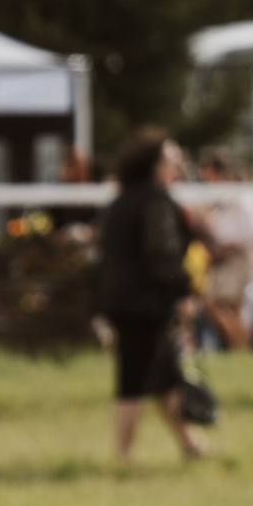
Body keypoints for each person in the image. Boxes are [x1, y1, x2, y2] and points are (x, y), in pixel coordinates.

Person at [93, 128, 207, 465]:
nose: (177, 167)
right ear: (154, 165)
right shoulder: (156, 201)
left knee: (162, 375)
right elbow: (164, 253)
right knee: (134, 378)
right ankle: (122, 456)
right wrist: (183, 292)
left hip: (121, 300)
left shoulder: (122, 200)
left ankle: (190, 444)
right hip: (143, 303)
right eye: (172, 161)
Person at [193, 152, 253, 351]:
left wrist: (224, 248)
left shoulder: (243, 198)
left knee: (222, 304)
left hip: (236, 258)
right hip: (228, 257)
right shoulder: (227, 199)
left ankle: (241, 346)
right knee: (226, 306)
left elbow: (251, 232)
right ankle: (240, 347)